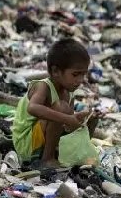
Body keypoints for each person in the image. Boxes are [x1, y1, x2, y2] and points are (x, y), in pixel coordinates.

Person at [10, 38, 102, 168]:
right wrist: (68, 118)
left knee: (88, 119)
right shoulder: (43, 86)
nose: (80, 80)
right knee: (61, 108)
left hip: (42, 141)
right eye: (75, 74)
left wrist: (84, 119)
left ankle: (54, 154)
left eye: (83, 74)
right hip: (27, 143)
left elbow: (66, 127)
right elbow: (33, 108)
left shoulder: (69, 94)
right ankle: (47, 159)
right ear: (55, 71)